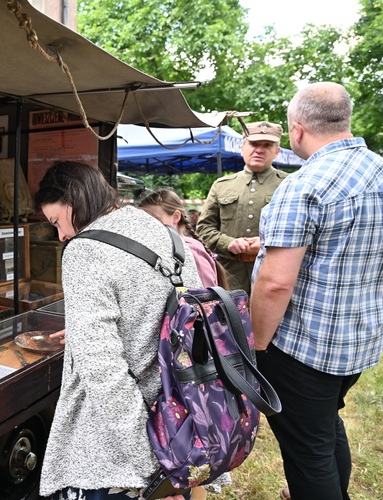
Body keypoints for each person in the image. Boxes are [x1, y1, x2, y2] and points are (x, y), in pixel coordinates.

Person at [35, 161, 201, 500]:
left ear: (74, 200)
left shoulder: (84, 249)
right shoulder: (157, 228)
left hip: (120, 451)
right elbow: (181, 312)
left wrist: (149, 461)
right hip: (181, 418)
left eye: (57, 222)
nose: (61, 235)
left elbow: (103, 370)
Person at [251, 82, 383, 500]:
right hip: (358, 344)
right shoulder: (378, 170)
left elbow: (275, 282)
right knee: (323, 429)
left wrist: (255, 346)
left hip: (302, 351)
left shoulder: (303, 185)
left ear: (297, 130)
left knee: (307, 453)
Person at [197, 121, 289, 294]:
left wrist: (267, 244)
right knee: (231, 320)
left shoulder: (289, 185)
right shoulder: (221, 185)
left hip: (274, 276)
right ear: (242, 147)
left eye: (267, 145)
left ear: (277, 151)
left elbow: (299, 228)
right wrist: (229, 243)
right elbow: (203, 229)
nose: (259, 150)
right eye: (253, 144)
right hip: (229, 276)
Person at [136, 188, 224, 288]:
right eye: (144, 221)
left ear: (176, 217)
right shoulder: (156, 248)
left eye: (156, 220)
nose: (149, 226)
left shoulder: (192, 251)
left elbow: (207, 297)